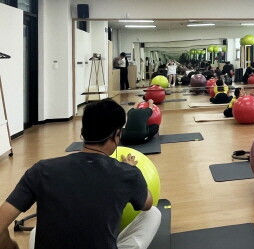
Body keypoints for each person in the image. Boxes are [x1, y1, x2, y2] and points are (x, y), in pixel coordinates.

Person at [0, 99, 161, 249]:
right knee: (153, 214)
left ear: (83, 131)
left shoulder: (41, 170)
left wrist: (12, 246)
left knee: (37, 230)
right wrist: (131, 170)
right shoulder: (127, 173)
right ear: (116, 135)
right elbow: (147, 204)